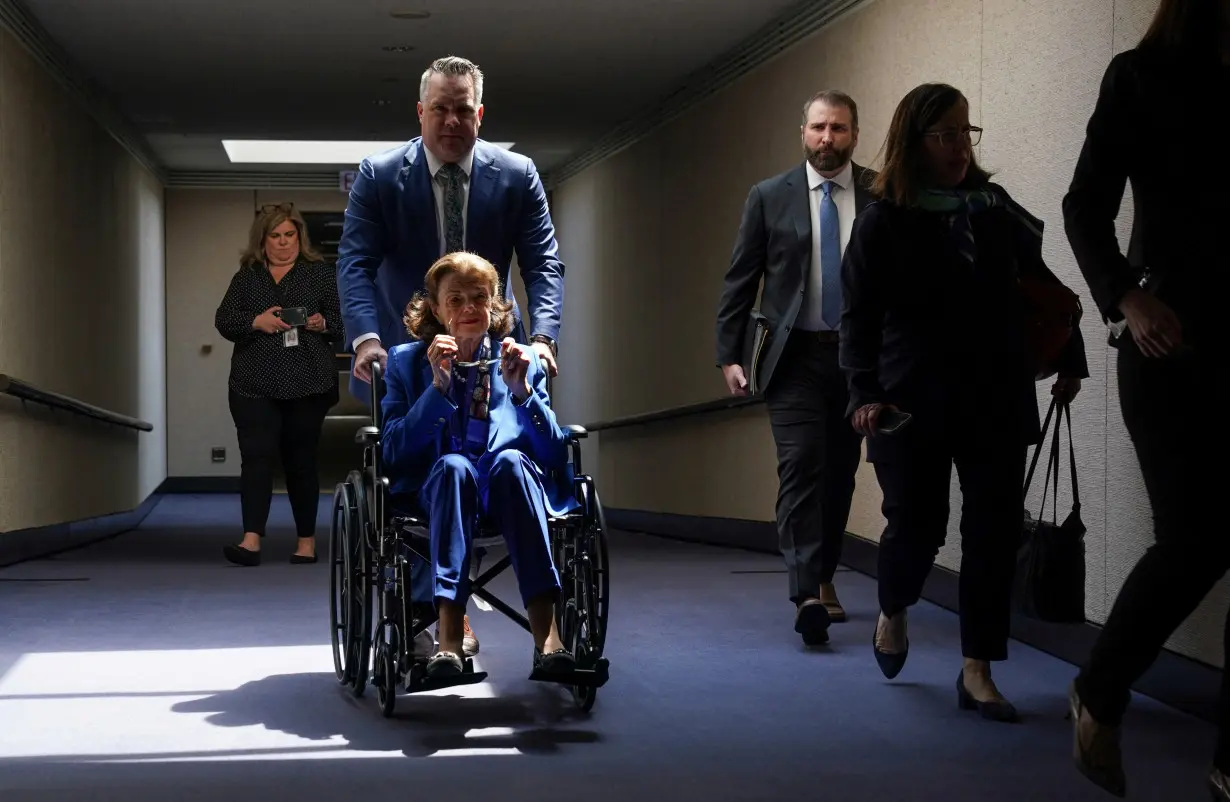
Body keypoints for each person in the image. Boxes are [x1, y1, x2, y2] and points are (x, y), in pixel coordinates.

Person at [839, 83, 1087, 722]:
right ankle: (892, 610)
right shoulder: (882, 222)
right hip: (910, 399)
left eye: (965, 132)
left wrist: (1069, 360)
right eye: (945, 134)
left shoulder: (992, 208)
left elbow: (1045, 290)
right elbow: (859, 320)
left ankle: (977, 669)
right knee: (918, 528)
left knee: (992, 536)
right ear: (914, 142)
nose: (958, 147)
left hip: (995, 395)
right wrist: (863, 394)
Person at [337, 54, 567, 657]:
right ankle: (443, 616)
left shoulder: (515, 175)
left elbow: (543, 264)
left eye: (463, 108)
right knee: (424, 471)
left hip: (493, 352)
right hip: (404, 359)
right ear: (421, 111)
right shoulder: (382, 174)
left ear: (479, 113)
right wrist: (366, 339)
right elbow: (354, 262)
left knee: (504, 459)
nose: (451, 119)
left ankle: (527, 625)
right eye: (439, 108)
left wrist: (542, 338)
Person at [1062, 0, 1229, 795]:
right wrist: (1125, 296)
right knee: (1195, 539)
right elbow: (1083, 205)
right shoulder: (1142, 77)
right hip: (1168, 338)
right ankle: (1098, 689)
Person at [714, 90, 876, 646]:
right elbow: (741, 279)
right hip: (794, 357)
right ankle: (807, 591)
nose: (827, 139)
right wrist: (729, 355)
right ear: (802, 132)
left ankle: (825, 572)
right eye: (818, 128)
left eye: (838, 128)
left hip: (859, 362)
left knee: (840, 472)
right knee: (802, 463)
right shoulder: (769, 196)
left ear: (854, 133)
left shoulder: (881, 194)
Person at [380, 252, 575, 679]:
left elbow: (555, 453)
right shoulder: (405, 362)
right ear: (435, 309)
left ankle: (549, 639)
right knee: (453, 466)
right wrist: (438, 388)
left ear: (494, 304)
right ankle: (448, 639)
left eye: (479, 297)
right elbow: (393, 451)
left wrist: (522, 392)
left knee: (511, 461)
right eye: (455, 299)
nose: (469, 308)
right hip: (437, 493)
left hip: (506, 492)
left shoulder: (523, 359)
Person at [213, 203, 343, 566]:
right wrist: (256, 322)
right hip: (253, 383)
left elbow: (342, 322)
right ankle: (251, 540)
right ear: (263, 240)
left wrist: (321, 324)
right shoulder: (248, 276)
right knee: (255, 459)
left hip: (308, 381)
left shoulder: (319, 274)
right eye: (276, 236)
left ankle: (306, 542)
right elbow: (224, 320)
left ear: (299, 237)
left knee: (300, 461)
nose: (284, 243)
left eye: (290, 235)